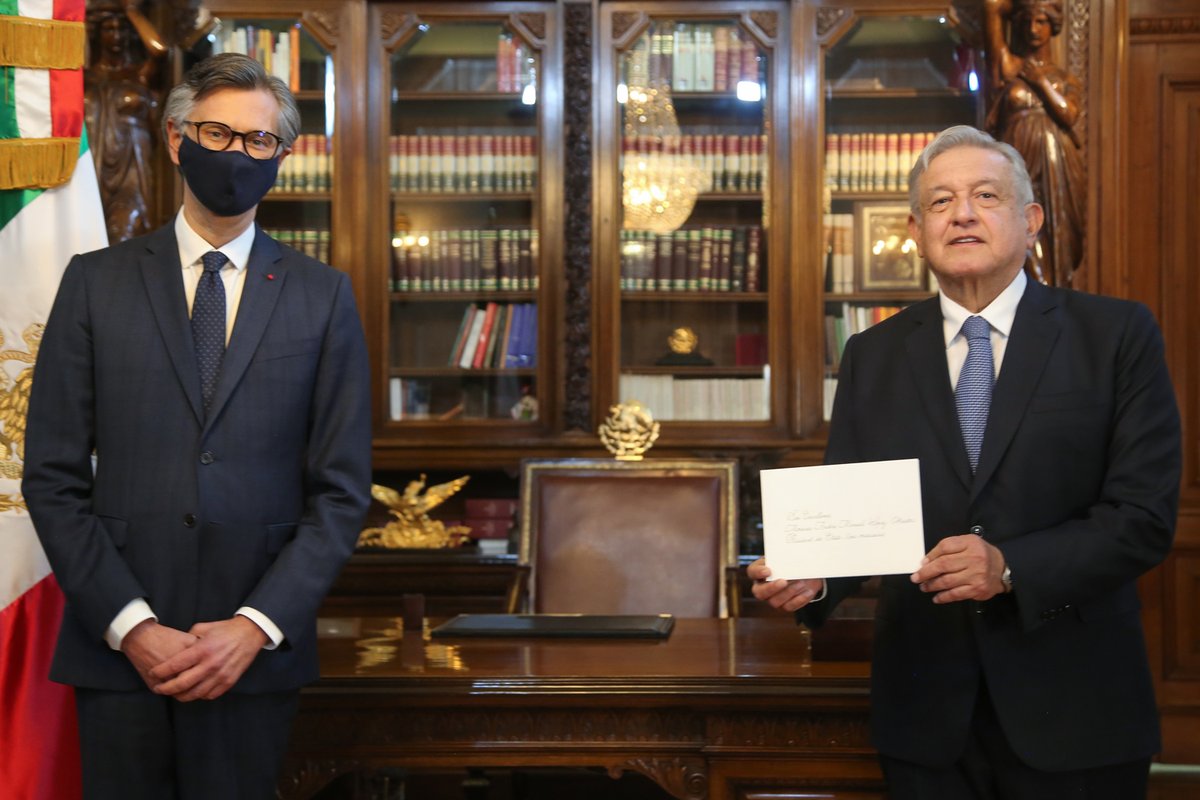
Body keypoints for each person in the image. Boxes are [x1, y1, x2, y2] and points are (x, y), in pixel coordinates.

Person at [750, 125, 1180, 799]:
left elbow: (1142, 517)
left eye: (986, 195)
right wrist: (813, 577)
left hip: (1076, 704)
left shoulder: (1115, 335)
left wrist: (1009, 566)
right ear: (917, 231)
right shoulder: (873, 354)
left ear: (1030, 221)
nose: (963, 214)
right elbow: (853, 515)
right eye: (941, 201)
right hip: (925, 711)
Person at [22, 53, 372, 799]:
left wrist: (254, 625)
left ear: (281, 156)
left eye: (258, 140)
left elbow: (341, 492)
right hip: (118, 652)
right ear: (178, 139)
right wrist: (133, 626)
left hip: (252, 658)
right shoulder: (95, 283)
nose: (237, 154)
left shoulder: (322, 297)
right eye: (218, 134)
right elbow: (51, 478)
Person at [983, 0, 1085, 288]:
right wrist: (1017, 6)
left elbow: (1069, 114)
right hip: (1018, 164)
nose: (1032, 29)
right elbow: (991, 6)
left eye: (1041, 21)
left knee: (1060, 236)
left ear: (1053, 26)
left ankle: (1051, 301)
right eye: (1026, 21)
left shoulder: (1065, 79)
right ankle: (1038, 298)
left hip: (1058, 164)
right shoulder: (1009, 67)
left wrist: (1040, 82)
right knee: (1021, 232)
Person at [85, 1, 166, 242]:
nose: (117, 36)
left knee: (122, 232)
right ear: (97, 34)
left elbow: (159, 50)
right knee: (88, 238)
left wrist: (131, 11)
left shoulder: (140, 74)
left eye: (122, 29)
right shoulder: (85, 77)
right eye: (109, 29)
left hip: (132, 169)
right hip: (92, 166)